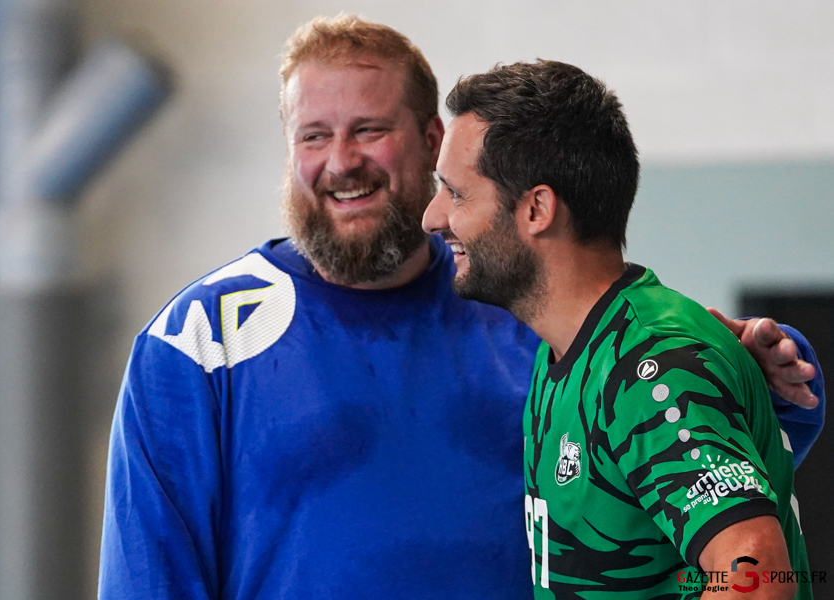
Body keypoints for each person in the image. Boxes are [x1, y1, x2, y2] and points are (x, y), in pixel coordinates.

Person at [99, 16, 823, 600]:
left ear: (431, 141)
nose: (341, 160)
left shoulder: (520, 300)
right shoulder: (197, 346)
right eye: (312, 136)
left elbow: (691, 453)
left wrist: (747, 364)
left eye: (370, 130)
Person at [422, 60, 814, 599]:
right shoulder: (568, 351)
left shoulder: (651, 366)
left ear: (537, 208)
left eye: (456, 193)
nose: (433, 217)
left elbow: (759, 576)